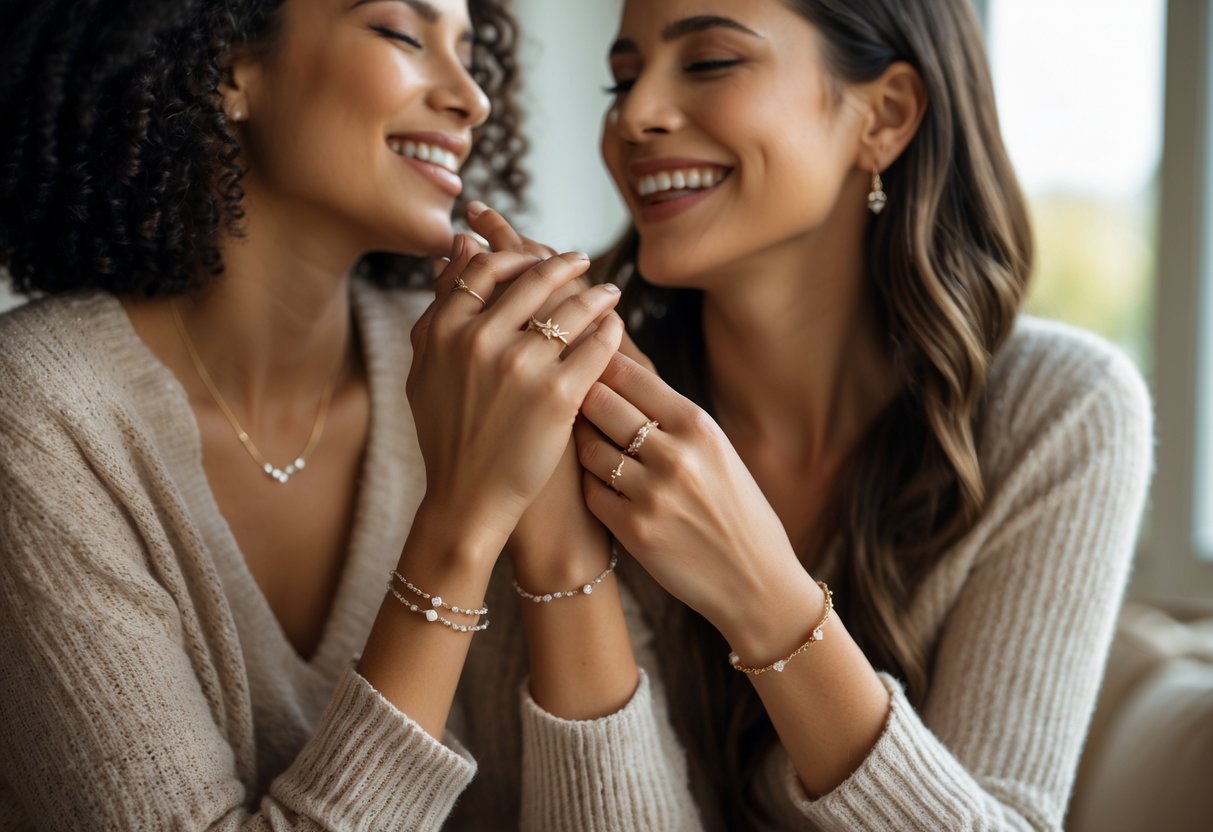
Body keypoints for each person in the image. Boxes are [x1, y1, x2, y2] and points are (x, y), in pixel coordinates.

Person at [0, 0, 691, 828]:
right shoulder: (39, 409)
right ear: (228, 67)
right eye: (404, 33)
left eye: (470, 53)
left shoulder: (479, 376)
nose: (470, 97)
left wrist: (554, 535)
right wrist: (461, 525)